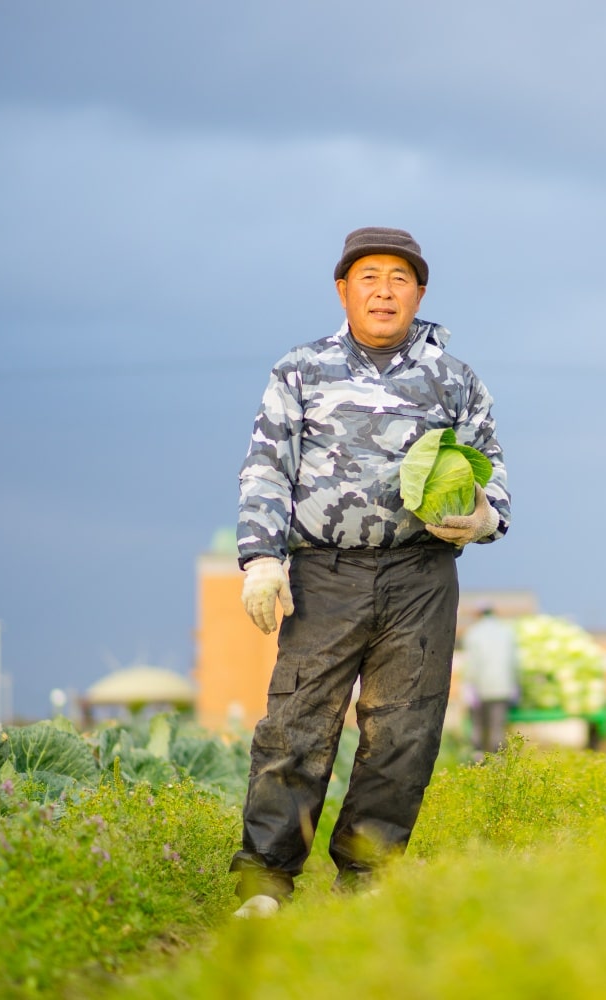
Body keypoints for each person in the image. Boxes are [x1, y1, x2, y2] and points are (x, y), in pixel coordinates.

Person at [230, 227, 511, 918]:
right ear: (343, 290)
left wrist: (483, 516)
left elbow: (492, 474)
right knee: (297, 724)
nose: (384, 292)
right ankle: (265, 881)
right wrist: (261, 558)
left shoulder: (454, 379)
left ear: (420, 292)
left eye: (399, 279)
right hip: (324, 575)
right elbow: (267, 467)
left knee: (404, 735)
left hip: (421, 577)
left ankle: (366, 880)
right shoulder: (301, 369)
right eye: (369, 277)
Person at [459, 605, 520, 759]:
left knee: (478, 724)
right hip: (503, 686)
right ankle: (498, 758)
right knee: (497, 724)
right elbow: (515, 661)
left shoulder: (473, 632)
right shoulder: (507, 631)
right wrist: (515, 683)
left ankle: (477, 757)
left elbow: (471, 662)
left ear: (478, 615)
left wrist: (468, 685)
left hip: (479, 686)